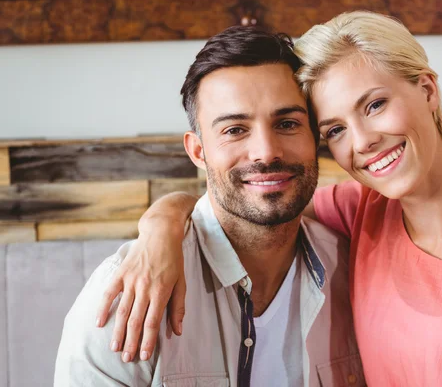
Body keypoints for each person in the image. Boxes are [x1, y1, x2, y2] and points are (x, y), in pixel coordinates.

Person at [97, 12, 442, 386]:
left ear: (427, 90)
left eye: (374, 105)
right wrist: (161, 226)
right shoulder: (362, 213)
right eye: (335, 129)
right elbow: (245, 198)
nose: (362, 142)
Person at [54, 26, 364, 387]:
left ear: (315, 137)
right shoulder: (128, 294)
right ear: (198, 151)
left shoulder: (353, 270)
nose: (266, 151)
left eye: (287, 123)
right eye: (235, 130)